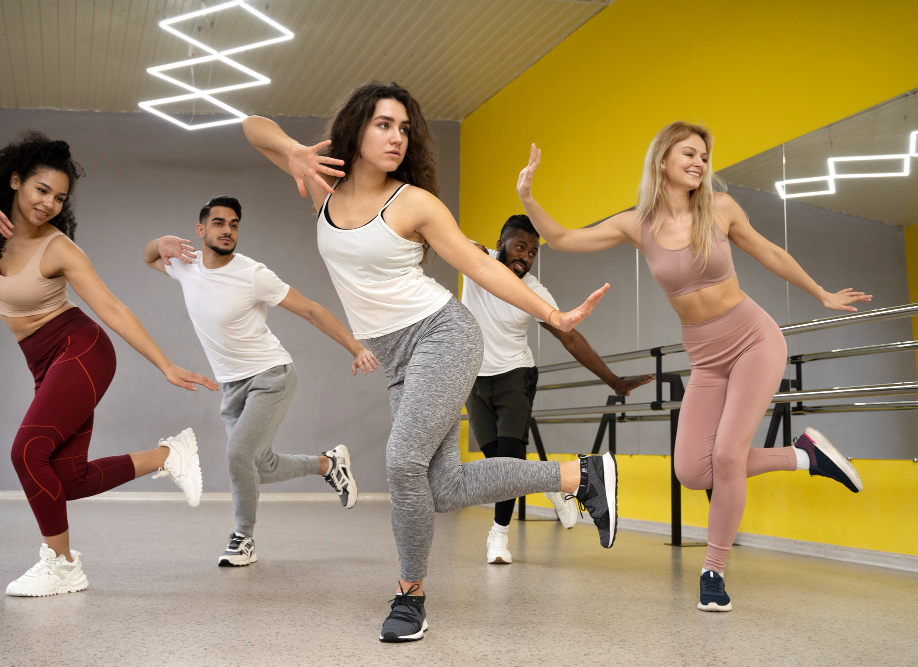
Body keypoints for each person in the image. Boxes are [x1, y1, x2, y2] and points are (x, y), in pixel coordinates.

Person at [242, 81, 618, 642]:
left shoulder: (413, 202)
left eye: (404, 128)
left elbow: (479, 265)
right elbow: (251, 125)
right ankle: (578, 474)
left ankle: (410, 596)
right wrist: (295, 150)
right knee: (438, 487)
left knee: (400, 463)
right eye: (384, 124)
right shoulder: (323, 187)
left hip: (442, 335)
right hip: (398, 358)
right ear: (356, 128)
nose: (397, 137)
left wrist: (553, 315)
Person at [516, 121, 870, 612]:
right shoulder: (637, 224)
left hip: (753, 340)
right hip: (705, 356)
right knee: (691, 469)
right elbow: (563, 238)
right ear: (662, 159)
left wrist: (821, 294)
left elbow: (769, 251)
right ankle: (804, 456)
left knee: (727, 455)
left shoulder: (720, 210)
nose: (700, 162)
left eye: (704, 155)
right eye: (689, 153)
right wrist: (529, 197)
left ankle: (713, 570)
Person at [0, 134, 218, 597]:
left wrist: (165, 365)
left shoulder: (58, 249)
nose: (50, 203)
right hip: (42, 361)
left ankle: (61, 564)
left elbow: (113, 309)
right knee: (66, 481)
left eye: (59, 197)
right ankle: (169, 455)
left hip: (80, 350)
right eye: (41, 190)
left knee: (27, 452)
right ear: (15, 182)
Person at [144, 195, 378, 566]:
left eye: (234, 224)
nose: (227, 230)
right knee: (259, 466)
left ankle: (244, 539)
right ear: (201, 230)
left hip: (271, 376)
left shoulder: (252, 273)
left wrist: (355, 346)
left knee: (238, 456)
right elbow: (150, 258)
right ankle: (328, 465)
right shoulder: (187, 267)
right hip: (232, 385)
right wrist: (159, 243)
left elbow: (312, 310)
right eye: (219, 223)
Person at [463, 214, 653, 564]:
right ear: (500, 242)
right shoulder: (474, 260)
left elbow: (571, 338)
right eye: (520, 246)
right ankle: (552, 485)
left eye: (533, 252)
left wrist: (614, 381)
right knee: (497, 465)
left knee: (506, 463)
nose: (525, 256)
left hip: (515, 378)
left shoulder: (534, 291)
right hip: (474, 379)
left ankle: (499, 536)